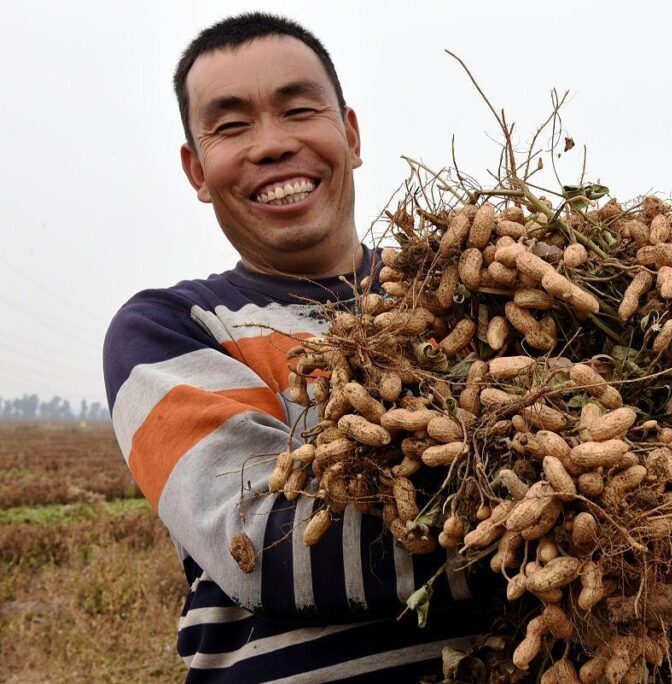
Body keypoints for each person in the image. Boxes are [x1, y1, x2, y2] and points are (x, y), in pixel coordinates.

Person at [103, 13, 490, 683]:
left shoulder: (476, 291)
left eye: (298, 110)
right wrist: (590, 527)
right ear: (197, 170)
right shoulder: (168, 329)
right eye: (231, 126)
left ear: (351, 134)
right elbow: (270, 543)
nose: (272, 145)